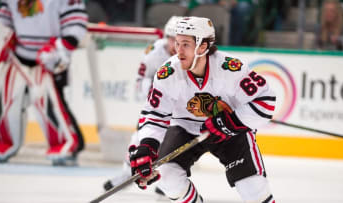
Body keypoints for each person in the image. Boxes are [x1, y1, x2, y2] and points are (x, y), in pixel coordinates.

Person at [129, 16, 276, 203]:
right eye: (177, 42)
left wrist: (230, 123)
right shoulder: (167, 73)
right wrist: (146, 146)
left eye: (185, 44)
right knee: (167, 177)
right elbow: (154, 115)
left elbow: (266, 102)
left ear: (202, 47)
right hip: (185, 128)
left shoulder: (230, 69)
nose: (177, 50)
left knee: (254, 189)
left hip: (230, 131)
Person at [0, 0, 87, 166]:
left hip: (49, 58)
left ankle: (66, 144)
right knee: (7, 101)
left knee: (50, 104)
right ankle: (3, 143)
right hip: (17, 57)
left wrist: (61, 48)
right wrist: (1, 36)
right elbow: (5, 18)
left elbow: (76, 24)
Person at [103, 16, 180, 192]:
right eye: (172, 39)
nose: (175, 45)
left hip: (182, 106)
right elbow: (140, 81)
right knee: (140, 139)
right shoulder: (154, 53)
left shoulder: (192, 55)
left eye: (180, 40)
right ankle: (126, 173)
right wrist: (155, 95)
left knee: (176, 143)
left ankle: (169, 181)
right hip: (159, 104)